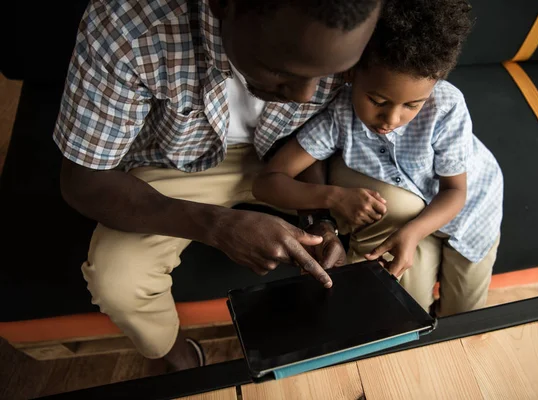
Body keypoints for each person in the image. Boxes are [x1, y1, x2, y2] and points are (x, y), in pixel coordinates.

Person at [54, 0, 381, 370]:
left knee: (387, 213)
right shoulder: (128, 26)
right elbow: (83, 181)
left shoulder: (362, 21)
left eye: (332, 74)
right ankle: (181, 360)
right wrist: (217, 226)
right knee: (117, 279)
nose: (305, 96)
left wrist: (318, 220)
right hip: (174, 164)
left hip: (292, 158)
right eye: (281, 71)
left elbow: (312, 134)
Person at [253, 0, 503, 317]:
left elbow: (455, 191)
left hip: (471, 213)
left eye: (412, 105)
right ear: (352, 74)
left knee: (463, 315)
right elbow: (267, 183)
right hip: (412, 219)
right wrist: (334, 197)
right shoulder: (339, 115)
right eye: (377, 100)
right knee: (408, 309)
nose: (392, 118)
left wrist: (412, 233)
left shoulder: (446, 106)